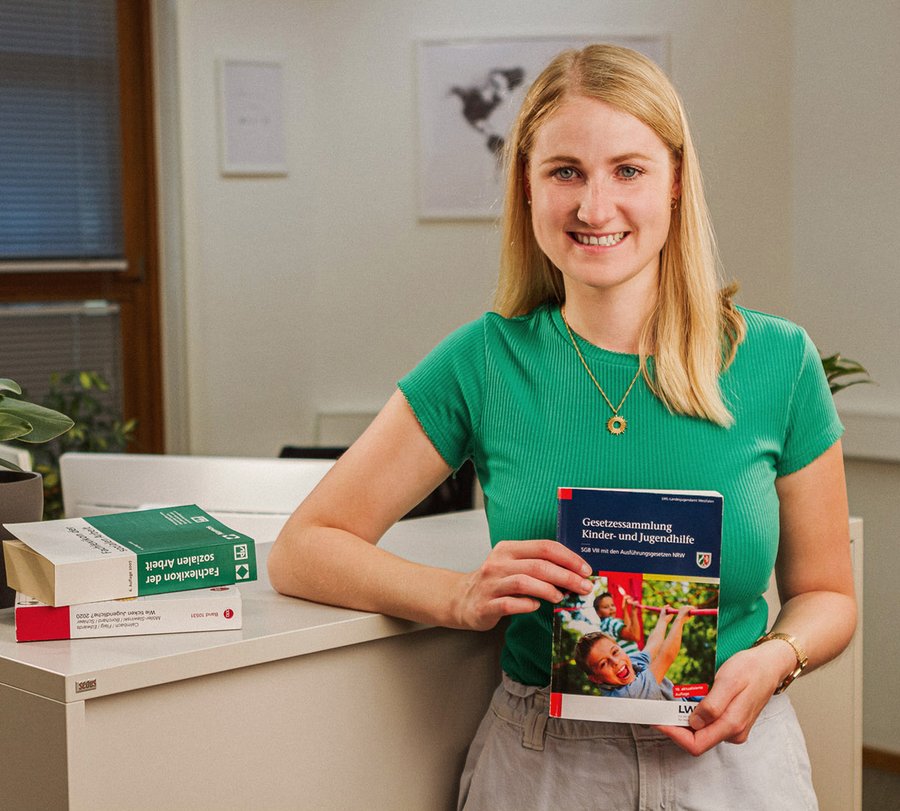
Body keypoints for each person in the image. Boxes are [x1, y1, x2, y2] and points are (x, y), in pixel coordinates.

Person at [268, 43, 855, 810]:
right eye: (565, 171)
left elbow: (828, 595)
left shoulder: (777, 359)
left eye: (628, 170)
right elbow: (303, 549)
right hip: (544, 766)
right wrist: (455, 596)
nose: (594, 206)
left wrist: (778, 655)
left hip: (735, 763)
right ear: (528, 186)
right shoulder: (483, 360)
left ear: (676, 183)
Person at [575, 604, 692, 700]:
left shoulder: (631, 661)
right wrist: (679, 620)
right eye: (603, 664)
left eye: (615, 652)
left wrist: (663, 620)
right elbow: (666, 657)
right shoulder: (627, 695)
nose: (615, 661)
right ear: (596, 679)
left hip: (686, 699)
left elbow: (652, 646)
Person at [593, 590, 640, 656]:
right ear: (598, 613)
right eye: (606, 607)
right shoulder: (610, 622)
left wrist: (625, 609)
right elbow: (635, 636)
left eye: (612, 605)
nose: (611, 608)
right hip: (634, 658)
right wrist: (634, 613)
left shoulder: (605, 626)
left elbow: (627, 628)